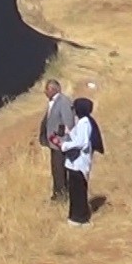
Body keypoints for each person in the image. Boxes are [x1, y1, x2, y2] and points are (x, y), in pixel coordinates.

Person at [53, 97, 104, 226]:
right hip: (74, 163)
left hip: (79, 163)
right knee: (75, 191)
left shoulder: (84, 123)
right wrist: (67, 133)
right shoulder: (83, 122)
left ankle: (80, 218)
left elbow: (81, 142)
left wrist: (63, 146)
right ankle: (75, 217)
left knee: (79, 191)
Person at [38, 80, 76, 202]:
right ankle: (57, 193)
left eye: (47, 89)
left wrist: (60, 139)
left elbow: (68, 122)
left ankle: (62, 195)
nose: (45, 92)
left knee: (60, 169)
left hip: (60, 143)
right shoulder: (53, 102)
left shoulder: (63, 102)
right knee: (56, 169)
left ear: (55, 89)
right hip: (54, 143)